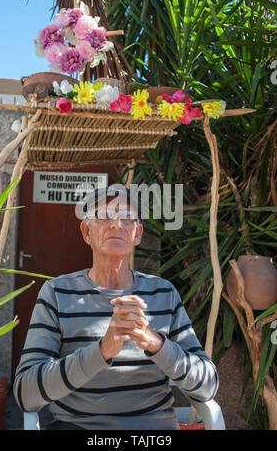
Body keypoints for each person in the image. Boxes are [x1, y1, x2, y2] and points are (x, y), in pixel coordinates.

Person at [13, 184, 218, 430]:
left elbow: (208, 385)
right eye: (104, 216)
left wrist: (155, 343)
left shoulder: (163, 293)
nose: (117, 224)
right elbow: (25, 393)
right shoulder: (57, 293)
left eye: (128, 218)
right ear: (86, 231)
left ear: (138, 234)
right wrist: (101, 352)